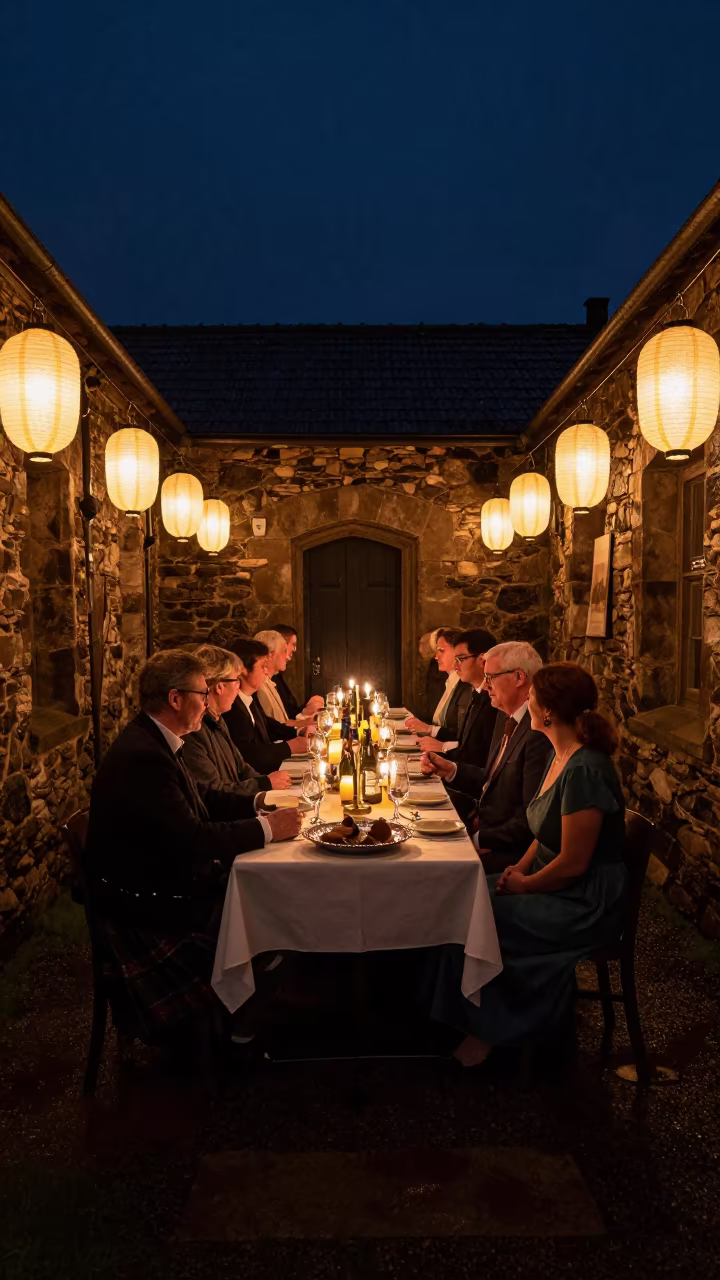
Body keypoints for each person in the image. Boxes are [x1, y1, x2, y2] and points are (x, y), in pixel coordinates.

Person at [84, 649, 302, 1044]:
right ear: (175, 698)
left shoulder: (157, 740)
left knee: (268, 895)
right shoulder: (144, 758)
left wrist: (261, 802)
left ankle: (253, 999)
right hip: (150, 904)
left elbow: (202, 799)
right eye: (202, 694)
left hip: (158, 881)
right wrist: (267, 829)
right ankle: (242, 1017)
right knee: (271, 905)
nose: (207, 703)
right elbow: (194, 840)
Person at [428, 661, 627, 1068]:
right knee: (457, 902)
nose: (528, 704)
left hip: (584, 899)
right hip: (552, 881)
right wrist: (517, 870)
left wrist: (526, 886)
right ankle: (463, 1014)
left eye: (533, 698)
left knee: (478, 917)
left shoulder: (585, 768)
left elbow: (573, 862)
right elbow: (542, 831)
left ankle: (493, 1030)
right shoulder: (560, 756)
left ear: (549, 710)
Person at [421, 642, 552, 872]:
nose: (485, 686)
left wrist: (480, 839)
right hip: (483, 825)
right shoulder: (504, 717)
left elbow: (531, 818)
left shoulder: (538, 733)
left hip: (508, 851)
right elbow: (494, 781)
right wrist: (451, 769)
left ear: (519, 677)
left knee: (433, 868)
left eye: (490, 677)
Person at [181, 644, 293, 795]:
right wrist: (265, 784)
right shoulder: (194, 730)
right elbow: (214, 793)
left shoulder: (218, 719)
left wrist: (266, 782)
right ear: (220, 687)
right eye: (236, 680)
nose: (238, 688)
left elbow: (241, 767)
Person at [223, 637, 309, 774]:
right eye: (262, 666)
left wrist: (298, 732)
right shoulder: (231, 708)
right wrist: (290, 747)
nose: (267, 671)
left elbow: (267, 725)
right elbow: (248, 755)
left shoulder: (249, 697)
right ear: (243, 669)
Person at [404, 628, 472, 742]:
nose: (436, 657)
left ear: (457, 651)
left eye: (441, 650)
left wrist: (429, 729)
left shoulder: (465, 686)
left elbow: (461, 737)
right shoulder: (448, 682)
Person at [273, 624, 324, 722]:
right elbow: (280, 722)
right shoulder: (269, 680)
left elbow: (291, 711)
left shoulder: (278, 676)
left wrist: (308, 710)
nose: (295, 649)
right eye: (293, 644)